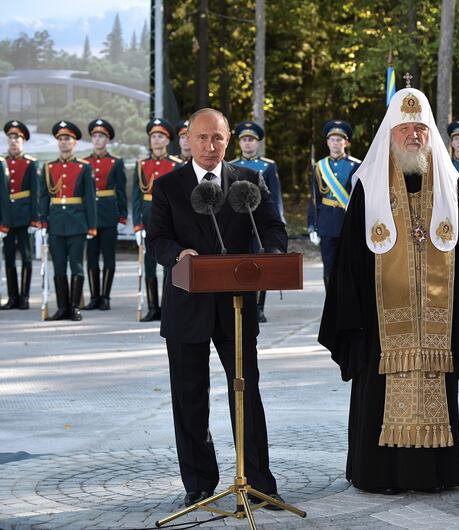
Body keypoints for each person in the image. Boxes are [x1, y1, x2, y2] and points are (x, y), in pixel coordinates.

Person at [319, 88, 459, 493]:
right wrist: (354, 321)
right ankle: (376, 473)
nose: (413, 136)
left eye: (420, 128)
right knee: (377, 391)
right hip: (380, 329)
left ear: (430, 132)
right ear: (389, 133)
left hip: (437, 324)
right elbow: (349, 265)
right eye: (404, 129)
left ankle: (437, 474)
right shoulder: (367, 187)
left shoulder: (449, 186)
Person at [147, 108, 288, 508]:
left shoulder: (248, 181)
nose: (211, 146)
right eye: (203, 138)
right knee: (189, 396)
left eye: (218, 139)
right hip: (186, 304)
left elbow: (273, 229)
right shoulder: (167, 185)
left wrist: (274, 254)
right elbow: (156, 239)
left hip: (237, 308)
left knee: (246, 393)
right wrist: (179, 253)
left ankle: (259, 481)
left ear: (228, 140)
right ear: (187, 140)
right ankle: (199, 481)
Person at [39, 121, 97, 321]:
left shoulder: (83, 167)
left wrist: (91, 225)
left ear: (74, 143)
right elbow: (44, 197)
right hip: (56, 223)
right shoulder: (49, 167)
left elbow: (89, 198)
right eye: (61, 139)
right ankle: (62, 307)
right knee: (59, 267)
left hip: (77, 223)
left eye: (68, 139)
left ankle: (74, 307)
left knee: (77, 266)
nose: (64, 143)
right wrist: (43, 223)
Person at [231, 120, 285, 323]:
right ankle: (243, 301)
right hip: (240, 221)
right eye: (244, 140)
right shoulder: (232, 165)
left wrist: (279, 221)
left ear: (257, 143)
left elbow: (275, 196)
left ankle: (259, 307)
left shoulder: (268, 166)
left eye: (251, 140)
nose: (247, 144)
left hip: (261, 221)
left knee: (260, 263)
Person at [132, 118, 183, 321]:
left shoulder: (176, 165)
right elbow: (136, 197)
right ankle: (153, 306)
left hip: (168, 222)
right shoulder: (142, 164)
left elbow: (180, 199)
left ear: (167, 140)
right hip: (148, 220)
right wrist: (137, 224)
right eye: (153, 136)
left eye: (160, 136)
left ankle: (167, 307)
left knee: (169, 265)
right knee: (149, 266)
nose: (156, 139)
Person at [307, 120, 360, 289]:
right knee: (329, 269)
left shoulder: (357, 165)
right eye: (332, 139)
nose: (336, 143)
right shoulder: (319, 167)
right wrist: (311, 226)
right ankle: (331, 308)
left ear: (346, 142)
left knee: (349, 268)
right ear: (327, 142)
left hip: (349, 223)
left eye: (339, 139)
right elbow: (314, 199)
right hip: (327, 223)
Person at [82, 119, 127, 310]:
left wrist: (122, 216)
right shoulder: (84, 163)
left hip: (109, 214)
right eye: (95, 136)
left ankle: (105, 297)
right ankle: (94, 296)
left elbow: (121, 191)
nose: (97, 139)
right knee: (91, 257)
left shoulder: (116, 162)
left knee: (108, 257)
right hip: (90, 215)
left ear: (107, 140)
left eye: (101, 136)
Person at [0, 120, 39, 310]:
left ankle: (24, 296)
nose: (14, 142)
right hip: (6, 217)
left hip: (24, 216)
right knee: (8, 257)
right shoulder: (2, 162)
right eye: (11, 138)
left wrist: (35, 219)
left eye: (17, 138)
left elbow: (35, 193)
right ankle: (12, 297)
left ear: (23, 141)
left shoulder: (30, 163)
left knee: (25, 257)